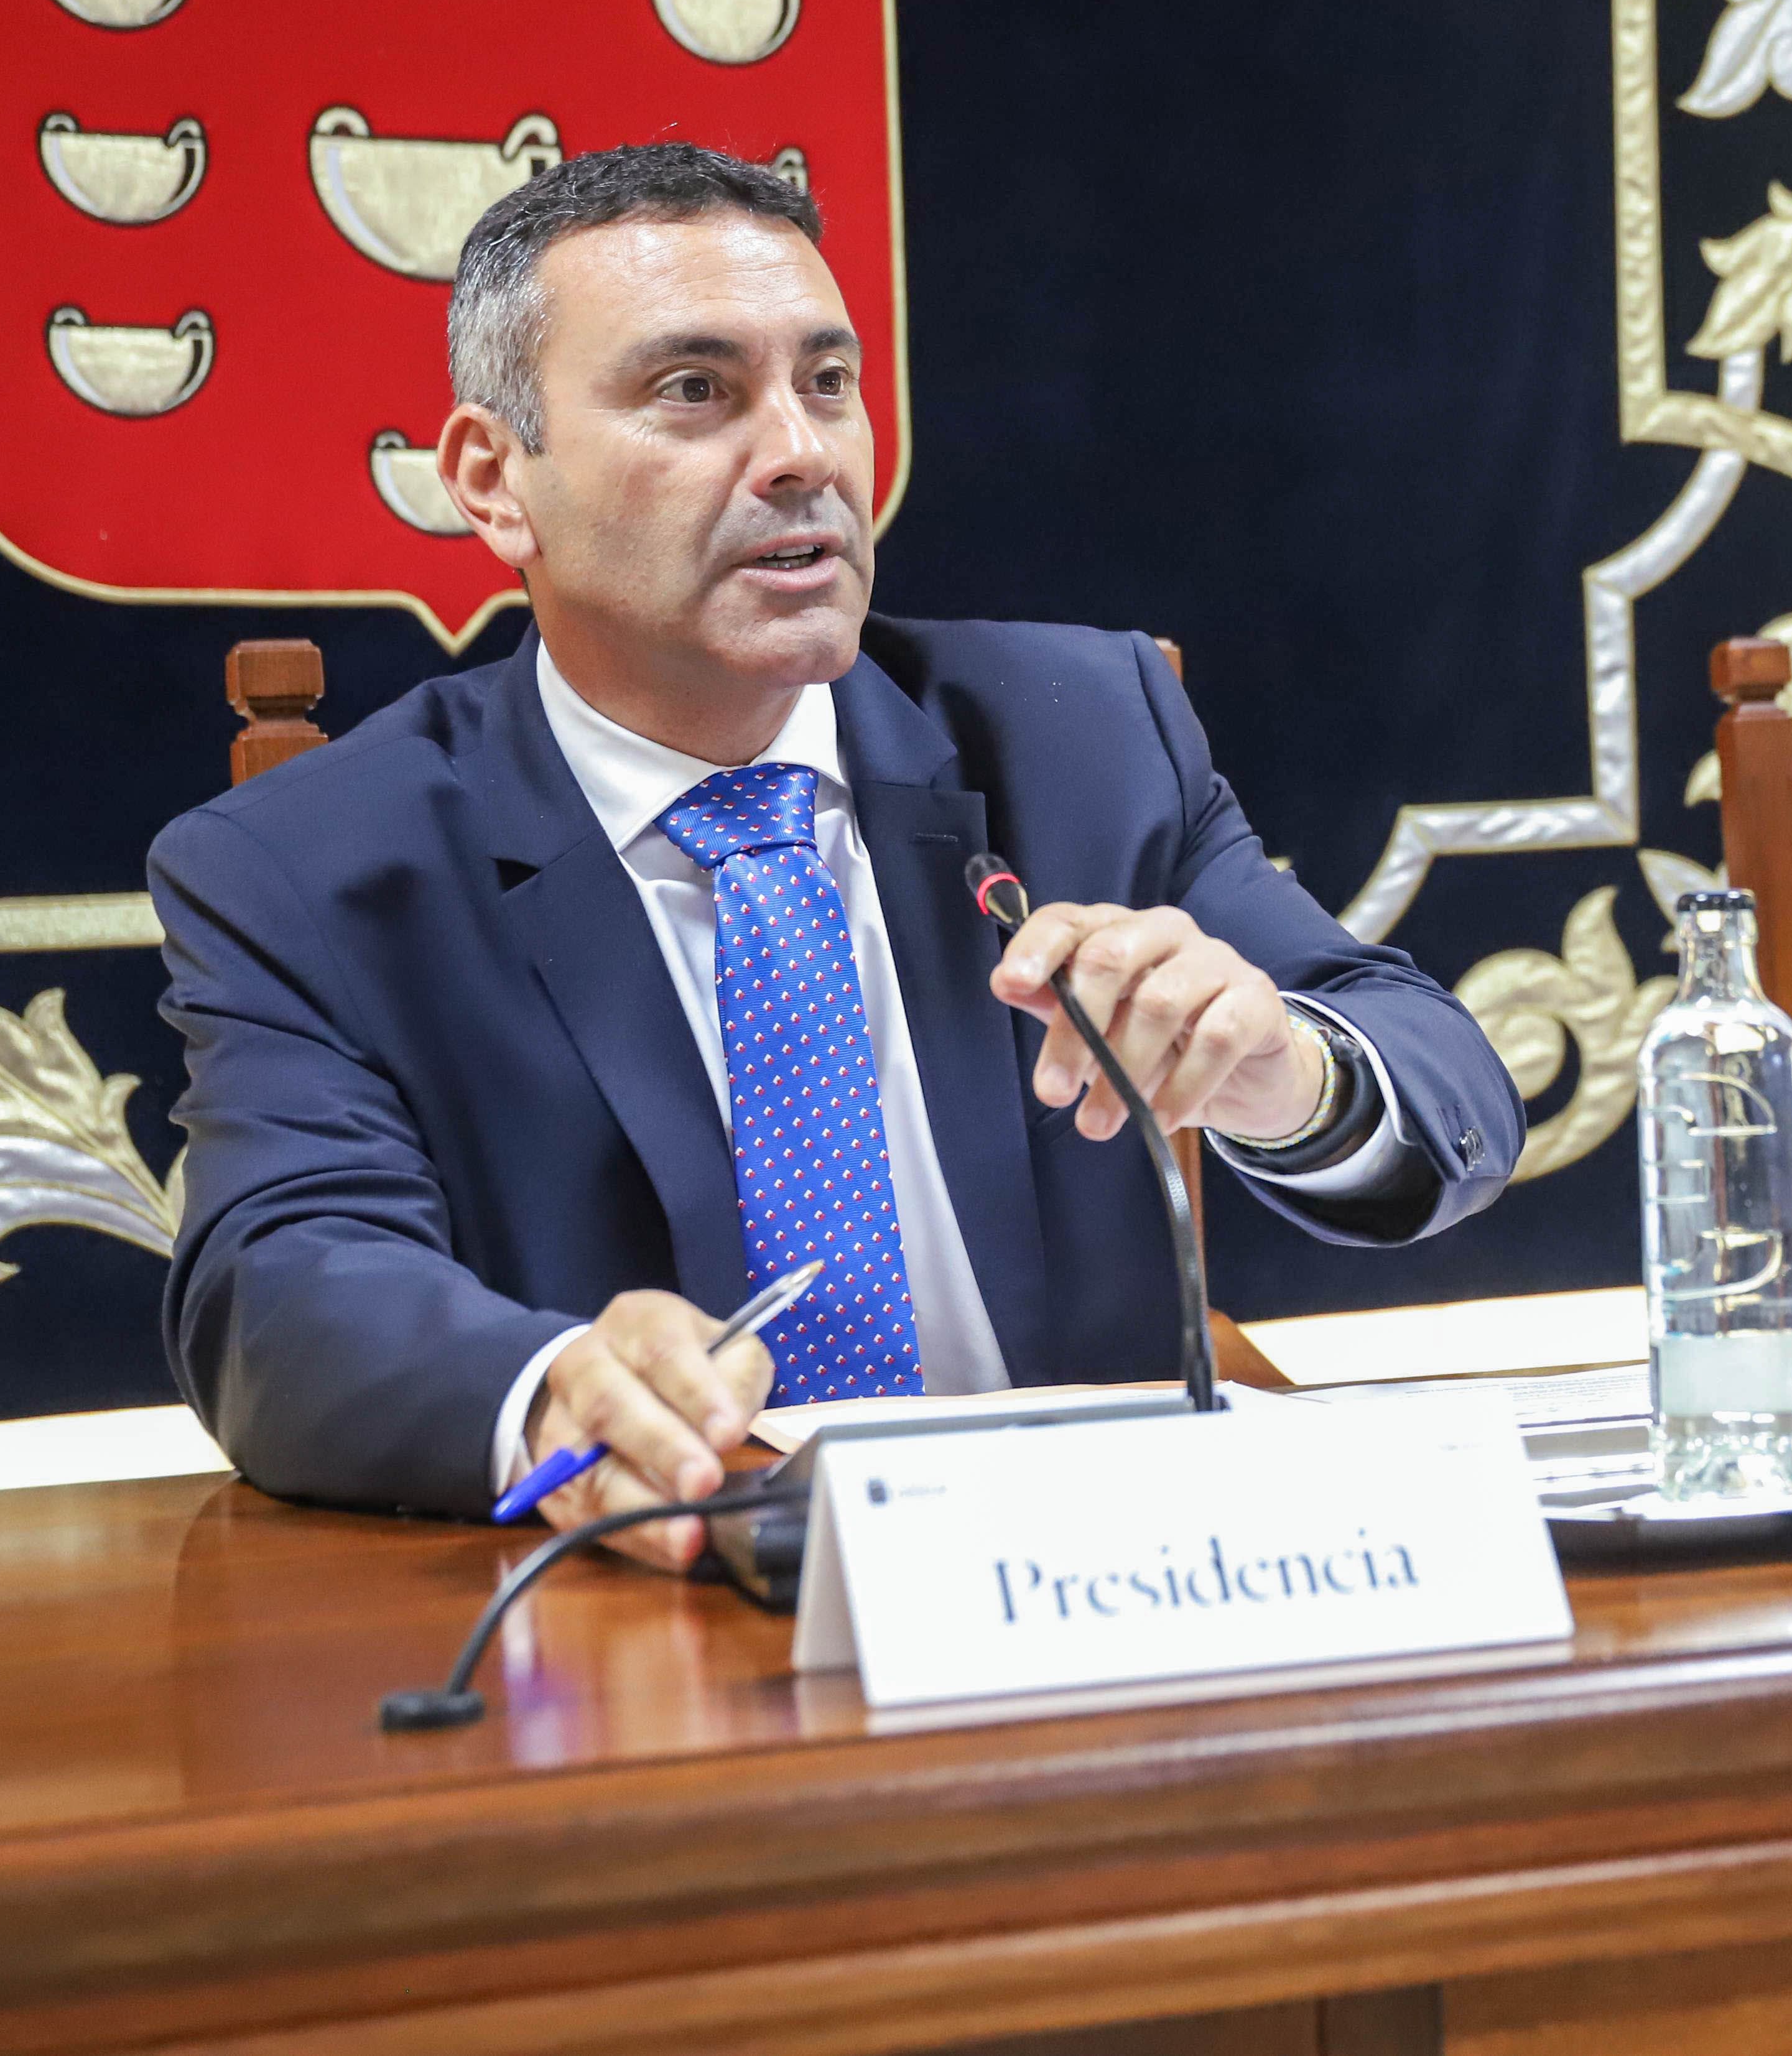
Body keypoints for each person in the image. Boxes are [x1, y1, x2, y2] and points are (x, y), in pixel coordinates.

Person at [151, 143, 1523, 1562]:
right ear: (494, 482)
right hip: (654, 1620)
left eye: (827, 383)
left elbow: (1443, 1079)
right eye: (694, 392)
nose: (801, 455)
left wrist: (1285, 1072)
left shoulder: (1077, 740)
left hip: (1104, 1590)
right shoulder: (310, 871)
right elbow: (279, 1285)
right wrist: (547, 1393)